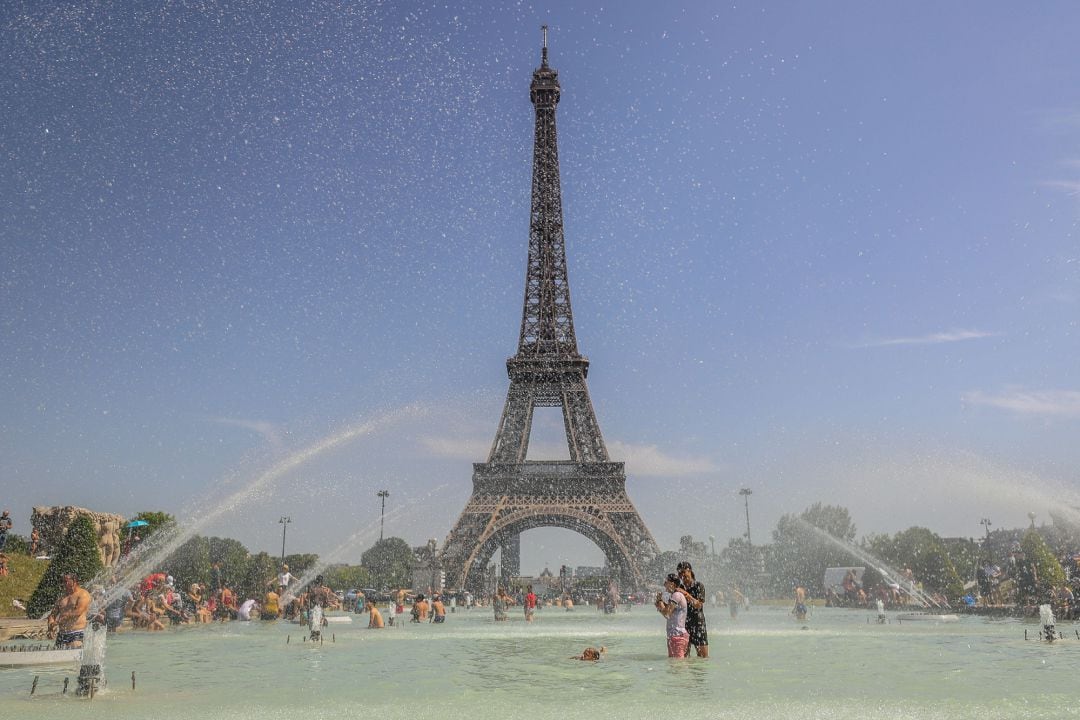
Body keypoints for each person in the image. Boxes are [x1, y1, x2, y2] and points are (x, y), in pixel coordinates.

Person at [48, 572, 92, 648]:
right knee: (58, 658)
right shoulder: (62, 597)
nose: (63, 584)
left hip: (76, 632)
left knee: (74, 657)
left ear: (74, 581)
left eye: (66, 581)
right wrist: (50, 627)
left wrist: (58, 621)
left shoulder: (83, 594)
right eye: (63, 581)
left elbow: (77, 612)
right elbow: (53, 614)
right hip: (62, 634)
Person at [676, 561, 709, 658]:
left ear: (690, 571)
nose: (682, 575)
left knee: (703, 657)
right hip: (684, 624)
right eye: (679, 573)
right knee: (685, 656)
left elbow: (698, 605)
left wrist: (686, 594)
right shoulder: (680, 587)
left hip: (698, 623)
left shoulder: (698, 586)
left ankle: (700, 673)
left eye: (683, 572)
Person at [655, 573, 689, 658]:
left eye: (666, 582)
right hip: (675, 635)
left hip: (677, 635)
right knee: (674, 666)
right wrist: (660, 602)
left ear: (672, 584)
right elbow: (667, 612)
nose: (664, 584)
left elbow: (667, 614)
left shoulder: (676, 595)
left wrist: (659, 602)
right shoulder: (675, 595)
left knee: (677, 666)